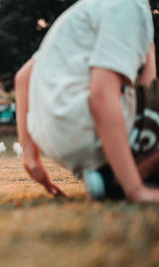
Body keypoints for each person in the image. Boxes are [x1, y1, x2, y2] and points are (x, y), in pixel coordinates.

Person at [15, 0, 159, 202]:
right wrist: (134, 189)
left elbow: (23, 78)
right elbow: (101, 97)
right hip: (85, 128)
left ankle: (110, 174)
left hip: (54, 138)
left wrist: (31, 159)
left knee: (148, 48)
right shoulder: (129, 6)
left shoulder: (82, 12)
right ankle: (123, 179)